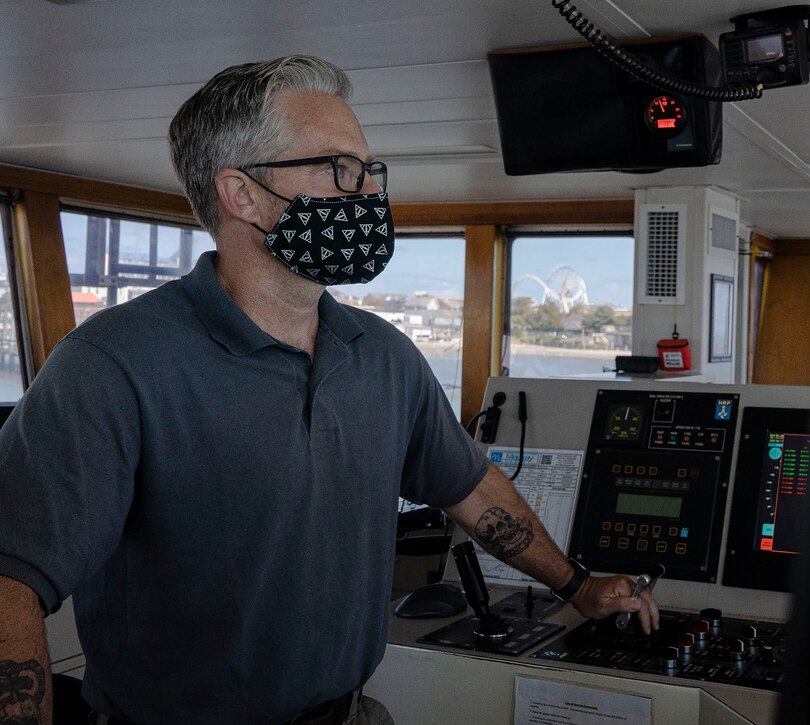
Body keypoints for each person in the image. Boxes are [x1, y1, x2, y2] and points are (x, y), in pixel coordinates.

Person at [0, 55, 658, 725]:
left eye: (370, 170)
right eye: (339, 168)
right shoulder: (114, 362)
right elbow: (10, 578)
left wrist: (577, 586)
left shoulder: (384, 356)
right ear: (243, 194)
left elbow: (470, 486)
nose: (367, 191)